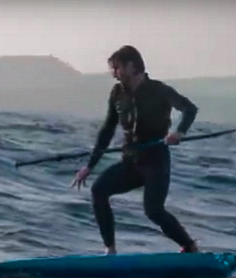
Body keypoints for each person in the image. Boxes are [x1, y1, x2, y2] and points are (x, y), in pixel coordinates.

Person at [70, 45, 200, 255]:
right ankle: (110, 249)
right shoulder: (117, 93)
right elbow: (107, 129)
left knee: (154, 211)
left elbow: (189, 109)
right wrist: (90, 166)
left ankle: (190, 247)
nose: (114, 74)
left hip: (155, 160)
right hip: (131, 161)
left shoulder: (159, 90)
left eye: (117, 68)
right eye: (112, 69)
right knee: (98, 190)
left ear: (132, 66)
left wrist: (180, 132)